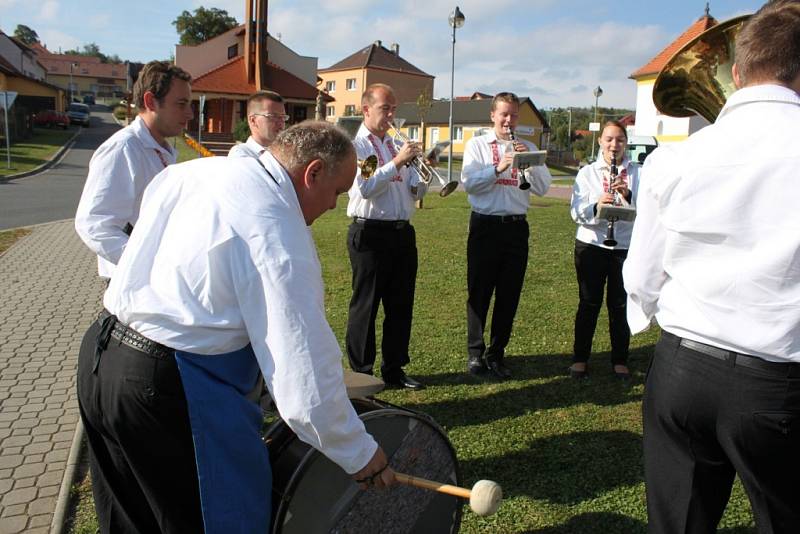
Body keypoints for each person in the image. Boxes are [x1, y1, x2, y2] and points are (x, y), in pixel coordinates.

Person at [77, 122, 395, 533]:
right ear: (312, 172)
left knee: (133, 522)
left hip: (101, 359)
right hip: (166, 386)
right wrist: (360, 454)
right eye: (336, 191)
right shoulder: (275, 225)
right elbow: (304, 381)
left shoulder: (194, 171)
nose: (334, 205)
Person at [623, 2, 800, 532]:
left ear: (739, 72)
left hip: (681, 368)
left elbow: (640, 277)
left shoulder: (674, 157)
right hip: (777, 380)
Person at [461, 92, 552, 379]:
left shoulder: (528, 146)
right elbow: (471, 185)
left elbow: (543, 188)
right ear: (493, 116)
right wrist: (500, 166)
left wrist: (529, 161)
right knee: (480, 291)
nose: (508, 120)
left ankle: (497, 354)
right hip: (485, 226)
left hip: (515, 227)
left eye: (513, 115)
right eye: (504, 114)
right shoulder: (477, 145)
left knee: (509, 294)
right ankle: (475, 354)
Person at [75, 60, 193, 279]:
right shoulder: (123, 149)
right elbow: (94, 224)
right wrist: (146, 264)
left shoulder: (159, 148)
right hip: (136, 279)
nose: (190, 114)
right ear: (151, 101)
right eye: (181, 104)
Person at [345, 83, 427, 390]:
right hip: (370, 234)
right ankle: (362, 370)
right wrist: (397, 162)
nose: (392, 115)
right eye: (385, 109)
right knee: (366, 305)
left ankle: (394, 368)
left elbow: (413, 191)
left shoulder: (395, 143)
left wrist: (418, 173)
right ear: (366, 110)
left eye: (394, 109)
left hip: (402, 233)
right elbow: (365, 187)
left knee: (400, 304)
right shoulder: (359, 146)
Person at [568, 120, 638, 380]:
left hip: (624, 247)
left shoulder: (637, 173)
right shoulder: (587, 173)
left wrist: (628, 196)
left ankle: (620, 359)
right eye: (609, 139)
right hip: (592, 244)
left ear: (625, 144)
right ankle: (580, 358)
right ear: (600, 141)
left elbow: (648, 212)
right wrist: (598, 206)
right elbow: (576, 213)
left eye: (619, 140)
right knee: (589, 303)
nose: (614, 145)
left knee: (620, 305)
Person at [228, 90, 288, 158]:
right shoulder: (241, 153)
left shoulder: (286, 154)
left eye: (283, 117)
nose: (280, 122)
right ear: (253, 120)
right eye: (273, 116)